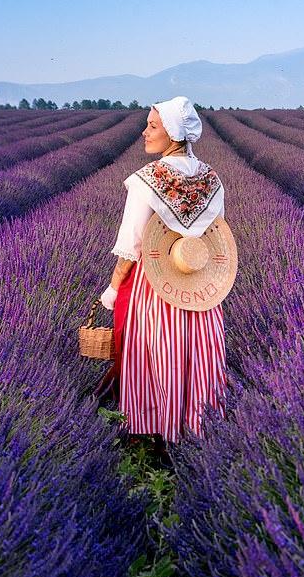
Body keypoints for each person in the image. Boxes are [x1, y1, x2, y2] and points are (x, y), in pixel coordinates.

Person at [94, 96, 230, 451]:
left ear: (172, 132)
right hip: (199, 284)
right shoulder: (212, 179)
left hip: (156, 285)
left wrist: (111, 289)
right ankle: (196, 426)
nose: (144, 132)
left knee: (155, 352)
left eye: (153, 125)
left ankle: (154, 432)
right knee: (194, 352)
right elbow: (217, 237)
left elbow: (130, 246)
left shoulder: (147, 180)